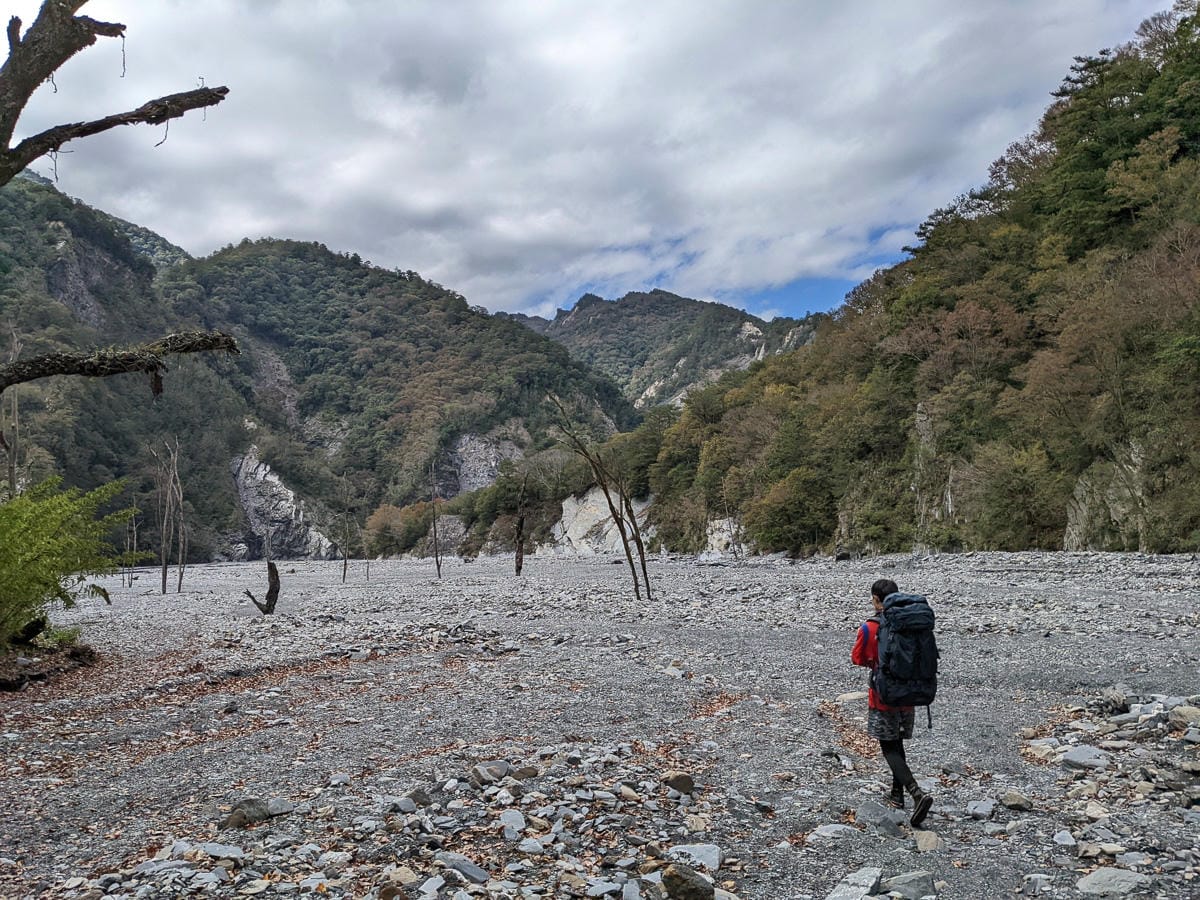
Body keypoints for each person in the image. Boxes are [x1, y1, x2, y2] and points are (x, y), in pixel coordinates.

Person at [851, 577, 934, 827]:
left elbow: (857, 658)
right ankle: (896, 796)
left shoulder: (870, 627)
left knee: (888, 746)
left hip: (884, 695)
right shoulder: (912, 623)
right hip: (911, 694)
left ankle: (915, 793)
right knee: (897, 743)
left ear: (876, 599)